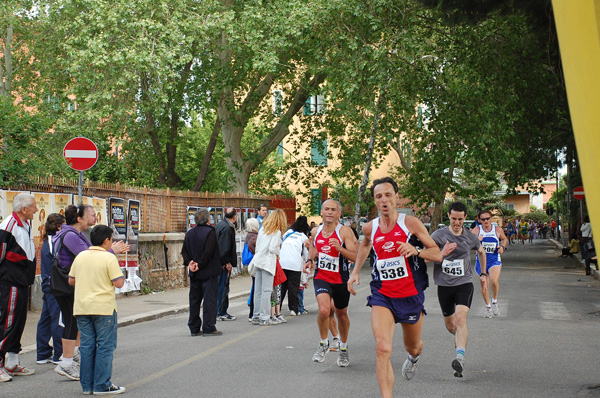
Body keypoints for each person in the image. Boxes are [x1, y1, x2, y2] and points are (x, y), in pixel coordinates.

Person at [348, 177, 441, 397]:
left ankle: (414, 357)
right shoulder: (370, 227)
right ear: (375, 201)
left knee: (413, 346)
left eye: (388, 195)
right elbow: (364, 246)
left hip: (410, 295)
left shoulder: (410, 223)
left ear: (396, 198)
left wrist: (416, 251)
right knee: (383, 348)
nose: (384, 200)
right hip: (383, 295)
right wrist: (354, 273)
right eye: (378, 196)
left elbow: (436, 253)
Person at [54, 205, 128, 381]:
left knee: (77, 323)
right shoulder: (71, 235)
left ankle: (74, 356)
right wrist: (111, 252)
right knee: (71, 322)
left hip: (73, 284)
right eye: (91, 215)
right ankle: (66, 361)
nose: (94, 218)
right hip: (68, 285)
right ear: (79, 218)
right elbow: (89, 256)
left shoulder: (77, 234)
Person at [430, 202, 487, 378]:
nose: (457, 222)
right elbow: (426, 256)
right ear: (448, 216)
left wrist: (483, 273)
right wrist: (442, 253)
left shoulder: (470, 237)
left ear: (465, 218)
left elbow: (481, 252)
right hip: (444, 286)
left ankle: (460, 358)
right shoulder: (438, 235)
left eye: (460, 219)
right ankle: (459, 340)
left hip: (464, 283)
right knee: (451, 326)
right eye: (454, 218)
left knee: (461, 317)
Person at [68, 225, 126, 395]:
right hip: (103, 308)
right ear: (106, 240)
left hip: (82, 307)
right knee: (105, 346)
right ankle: (102, 385)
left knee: (86, 346)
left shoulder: (81, 256)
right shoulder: (108, 258)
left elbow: (71, 280)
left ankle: (87, 386)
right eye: (111, 239)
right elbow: (119, 283)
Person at [304, 199, 358, 368]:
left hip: (341, 280)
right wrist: (310, 259)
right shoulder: (315, 231)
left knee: (341, 315)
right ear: (321, 212)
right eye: (326, 209)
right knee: (324, 309)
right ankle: (323, 343)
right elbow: (314, 248)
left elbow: (356, 257)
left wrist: (340, 249)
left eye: (333, 210)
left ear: (338, 214)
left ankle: (343, 347)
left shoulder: (345, 232)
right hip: (322, 277)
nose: (329, 212)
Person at [0, 193, 38, 381]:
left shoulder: (26, 224)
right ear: (24, 209)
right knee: (7, 323)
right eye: (33, 206)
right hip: (11, 282)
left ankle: (12, 362)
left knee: (19, 322)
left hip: (23, 280)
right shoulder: (8, 226)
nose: (36, 210)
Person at [182, 208, 222, 337]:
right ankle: (208, 327)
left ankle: (194, 327)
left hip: (194, 272)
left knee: (194, 300)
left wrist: (191, 263)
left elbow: (184, 251)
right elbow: (208, 252)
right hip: (208, 271)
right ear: (208, 220)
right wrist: (200, 264)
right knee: (209, 300)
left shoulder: (190, 233)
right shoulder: (210, 232)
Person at [36, 213, 66, 365]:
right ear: (59, 226)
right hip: (55, 285)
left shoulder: (46, 241)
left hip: (47, 283)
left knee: (46, 318)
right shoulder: (55, 241)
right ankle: (59, 354)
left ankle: (42, 352)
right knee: (58, 319)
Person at [250, 209, 288, 326]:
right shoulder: (276, 232)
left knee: (258, 290)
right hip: (268, 262)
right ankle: (265, 317)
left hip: (258, 260)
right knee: (267, 290)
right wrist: (278, 251)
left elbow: (258, 247)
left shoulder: (263, 229)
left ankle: (256, 315)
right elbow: (272, 248)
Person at [471, 209, 508, 318]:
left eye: (488, 218)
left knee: (494, 280)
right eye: (483, 219)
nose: (486, 221)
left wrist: (502, 247)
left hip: (494, 259)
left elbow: (504, 239)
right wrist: (477, 240)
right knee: (484, 285)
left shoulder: (497, 229)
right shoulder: (476, 230)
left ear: (491, 218)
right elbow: (469, 245)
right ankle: (488, 307)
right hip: (481, 261)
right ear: (479, 220)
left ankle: (495, 301)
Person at [279, 216, 310, 316]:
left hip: (282, 262)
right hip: (295, 264)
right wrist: (308, 262)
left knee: (282, 286)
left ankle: (277, 308)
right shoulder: (303, 237)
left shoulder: (288, 233)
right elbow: (306, 252)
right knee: (293, 287)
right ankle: (293, 309)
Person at [215, 208, 238, 321]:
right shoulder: (227, 228)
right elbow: (224, 248)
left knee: (221, 287)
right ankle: (220, 312)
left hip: (218, 262)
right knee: (223, 287)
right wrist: (227, 262)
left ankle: (220, 311)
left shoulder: (220, 225)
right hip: (223, 264)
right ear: (234, 216)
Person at [245, 218, 259, 322]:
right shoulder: (255, 237)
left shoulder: (248, 235)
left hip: (250, 263)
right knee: (256, 288)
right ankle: (253, 312)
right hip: (256, 263)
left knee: (254, 286)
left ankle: (252, 311)